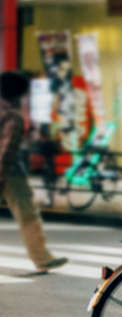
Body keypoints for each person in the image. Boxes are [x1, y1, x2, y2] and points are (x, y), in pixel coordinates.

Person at [0, 71, 68, 274]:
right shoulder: (13, 116)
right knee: (28, 215)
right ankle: (42, 258)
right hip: (10, 173)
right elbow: (8, 148)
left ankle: (42, 257)